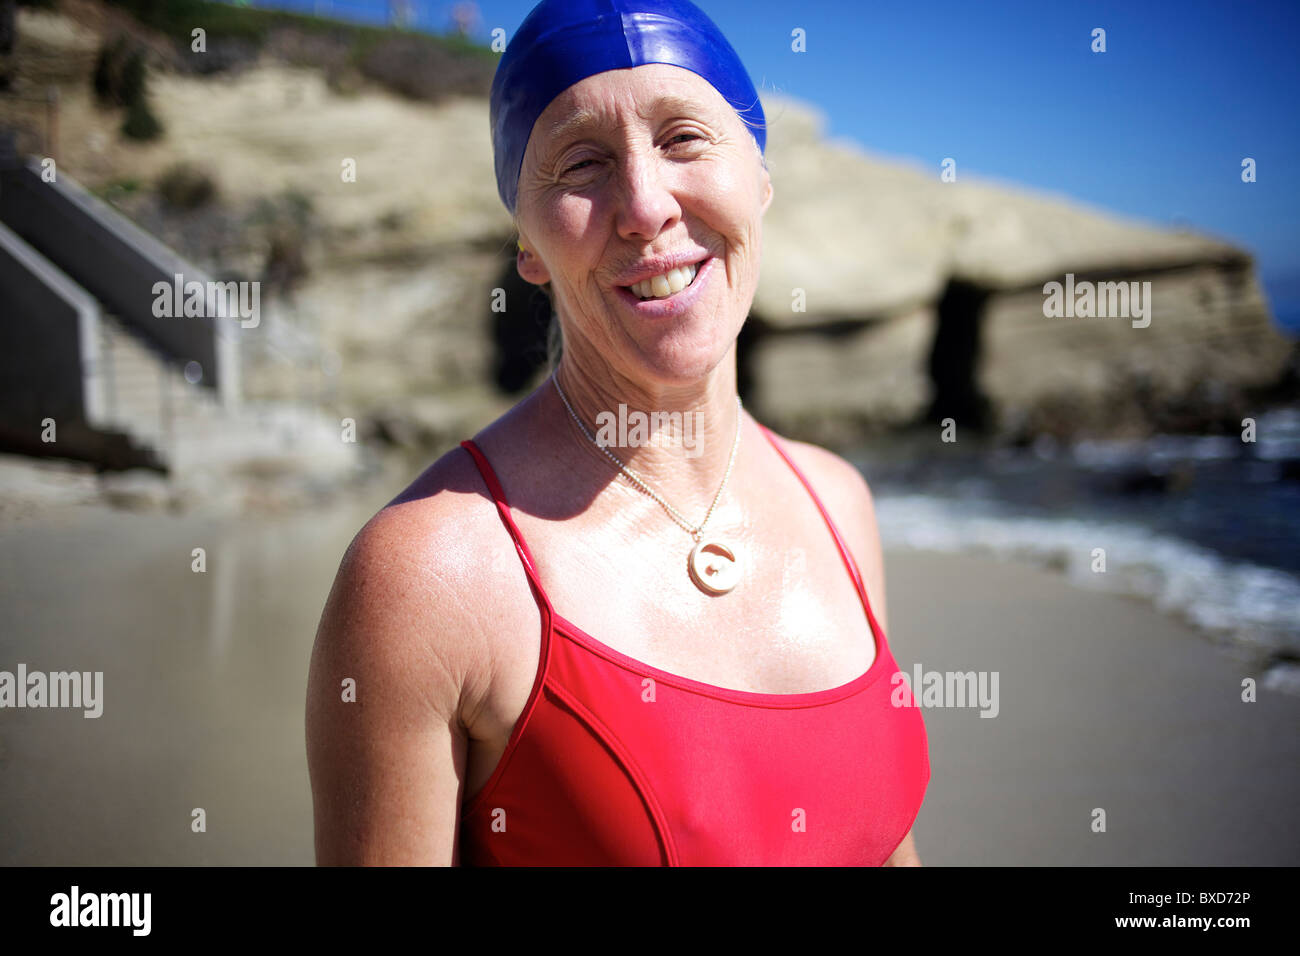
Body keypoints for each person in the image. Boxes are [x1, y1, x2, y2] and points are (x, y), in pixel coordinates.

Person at [306, 0, 929, 866]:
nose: (644, 206)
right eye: (582, 164)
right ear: (526, 243)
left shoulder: (840, 503)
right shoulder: (428, 579)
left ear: (761, 179)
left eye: (683, 140)